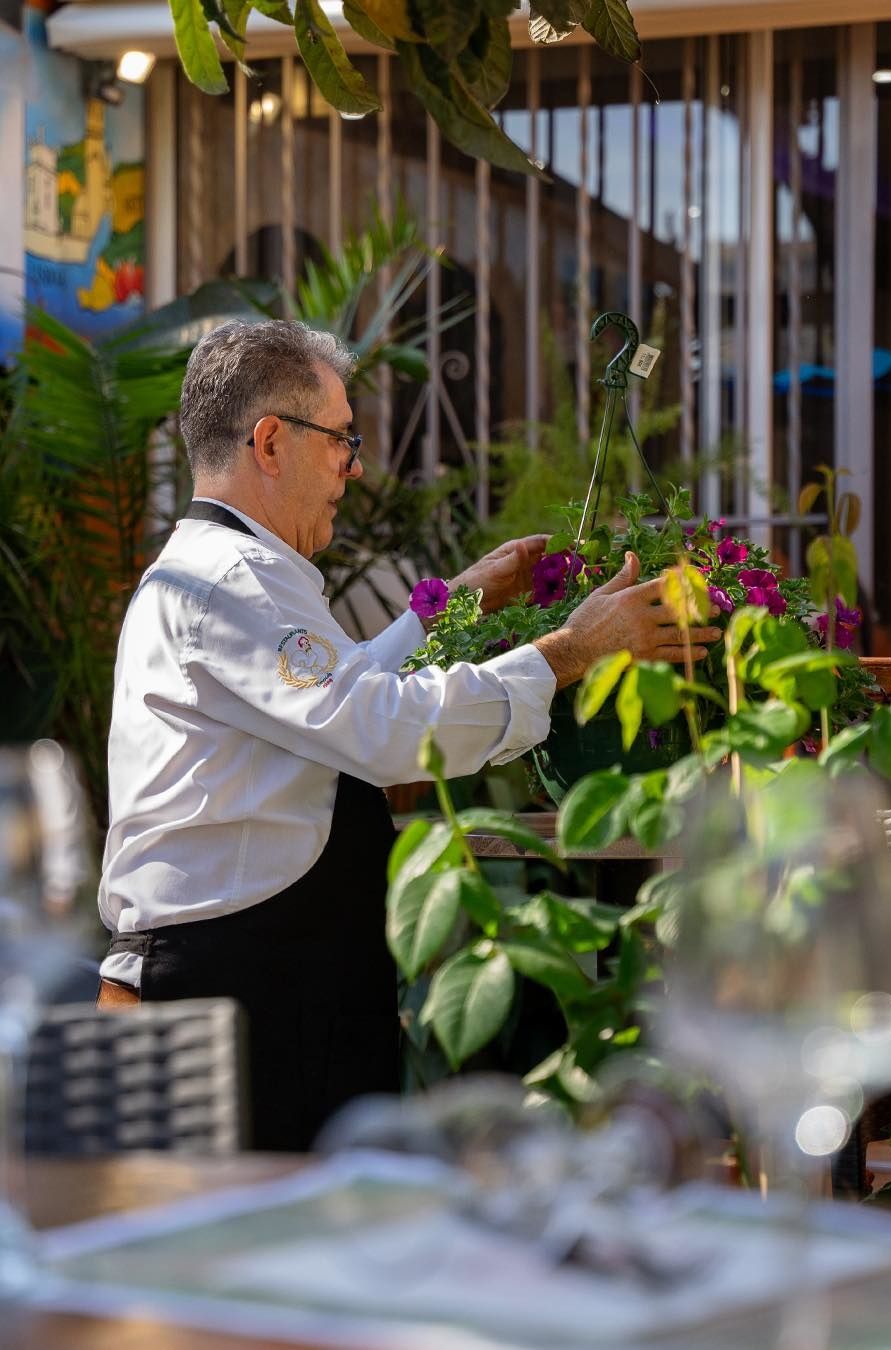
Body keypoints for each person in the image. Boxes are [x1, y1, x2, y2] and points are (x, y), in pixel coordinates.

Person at [97, 319, 720, 1150]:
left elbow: (342, 696)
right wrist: (573, 651)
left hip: (266, 979)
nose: (354, 466)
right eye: (341, 439)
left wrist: (455, 602)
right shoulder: (230, 580)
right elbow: (384, 729)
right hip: (229, 994)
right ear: (271, 442)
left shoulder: (227, 571)